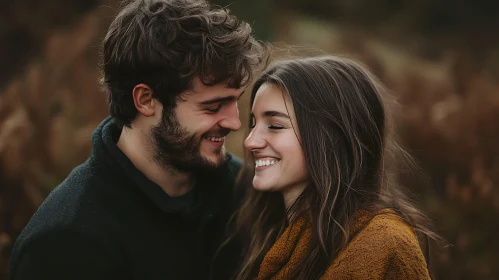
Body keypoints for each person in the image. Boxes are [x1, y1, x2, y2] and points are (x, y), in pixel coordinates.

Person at [9, 0, 265, 279]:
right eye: (213, 107)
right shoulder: (66, 241)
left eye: (234, 103)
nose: (235, 123)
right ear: (145, 100)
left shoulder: (248, 195)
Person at [226, 56, 439, 280]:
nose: (250, 141)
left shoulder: (385, 243)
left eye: (275, 126)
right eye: (253, 123)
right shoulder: (264, 238)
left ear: (331, 138)